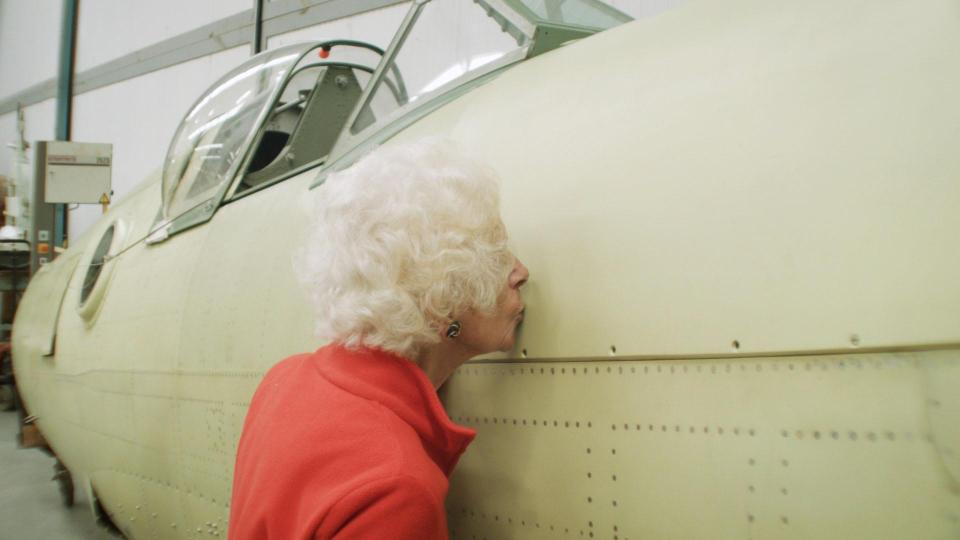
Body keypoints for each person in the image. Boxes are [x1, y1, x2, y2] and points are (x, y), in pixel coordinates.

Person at [228, 137, 529, 539]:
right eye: (496, 257)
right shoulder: (396, 492)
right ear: (440, 304)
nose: (521, 271)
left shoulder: (283, 381)